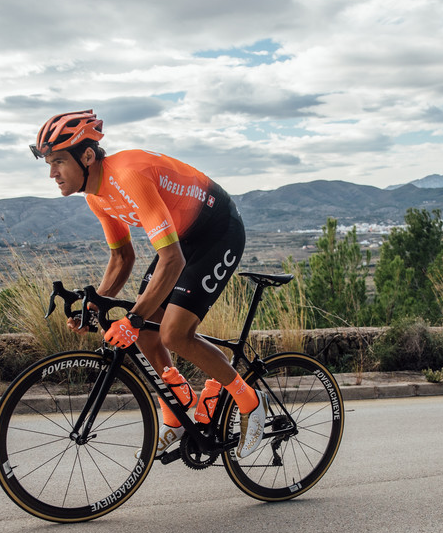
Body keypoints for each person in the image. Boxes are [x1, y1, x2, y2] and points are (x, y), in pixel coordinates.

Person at [30, 109, 268, 458]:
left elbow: (172, 261)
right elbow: (122, 259)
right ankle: (175, 412)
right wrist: (94, 305)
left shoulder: (127, 177)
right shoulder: (97, 197)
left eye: (59, 162)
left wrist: (134, 318)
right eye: (49, 163)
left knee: (172, 332)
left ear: (87, 156)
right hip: (183, 237)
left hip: (218, 230)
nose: (52, 173)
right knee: (143, 326)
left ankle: (249, 402)